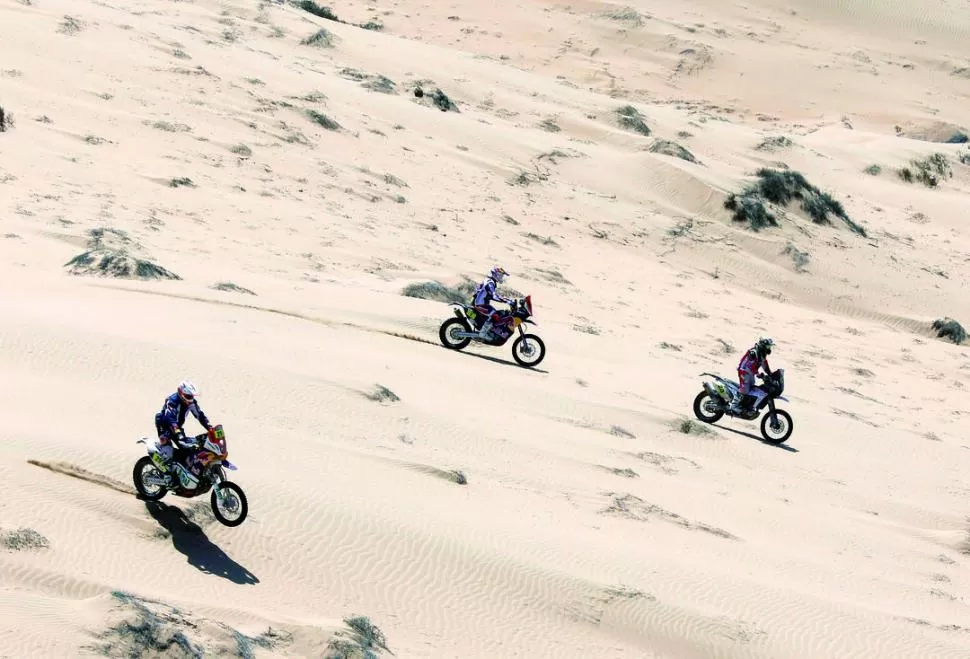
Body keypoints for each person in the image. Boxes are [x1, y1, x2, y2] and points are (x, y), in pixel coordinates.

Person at [154, 380, 213, 485]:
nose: (190, 399)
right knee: (167, 449)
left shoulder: (190, 402)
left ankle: (182, 473)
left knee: (186, 447)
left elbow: (199, 415)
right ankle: (167, 475)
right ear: (181, 393)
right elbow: (170, 418)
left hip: (177, 427)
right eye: (188, 396)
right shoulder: (172, 401)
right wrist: (177, 431)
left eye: (192, 396)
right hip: (165, 425)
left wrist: (209, 427)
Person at [729, 337, 774, 414]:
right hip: (744, 371)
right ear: (763, 346)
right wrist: (758, 374)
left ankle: (744, 405)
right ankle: (734, 405)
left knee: (751, 388)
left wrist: (771, 374)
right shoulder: (753, 353)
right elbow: (751, 366)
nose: (769, 348)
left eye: (769, 346)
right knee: (745, 389)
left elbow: (765, 365)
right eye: (768, 346)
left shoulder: (762, 354)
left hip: (750, 373)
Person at [472, 266, 514, 338]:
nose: (502, 277)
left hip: (481, 304)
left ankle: (490, 331)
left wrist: (507, 299)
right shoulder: (490, 283)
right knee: (494, 314)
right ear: (496, 274)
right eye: (501, 275)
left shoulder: (490, 281)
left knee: (497, 313)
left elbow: (494, 295)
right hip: (480, 305)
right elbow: (494, 296)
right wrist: (508, 302)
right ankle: (483, 333)